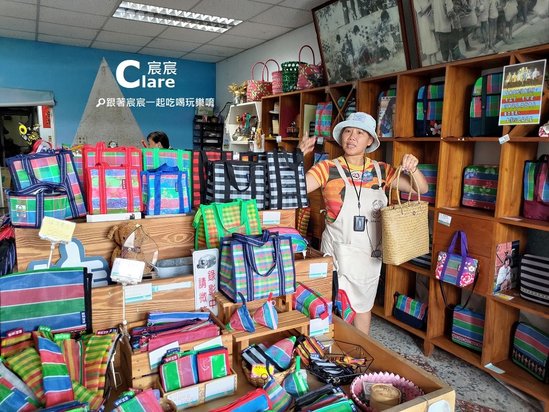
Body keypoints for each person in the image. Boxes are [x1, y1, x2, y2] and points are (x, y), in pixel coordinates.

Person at [298, 112, 428, 335]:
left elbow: (421, 189)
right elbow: (296, 188)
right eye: (348, 131)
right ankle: (333, 356)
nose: (352, 137)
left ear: (370, 141)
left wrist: (413, 168)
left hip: (369, 254)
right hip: (336, 252)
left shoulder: (381, 171)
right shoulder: (326, 168)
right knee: (333, 306)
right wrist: (298, 157)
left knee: (364, 306)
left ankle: (359, 354)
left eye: (359, 133)